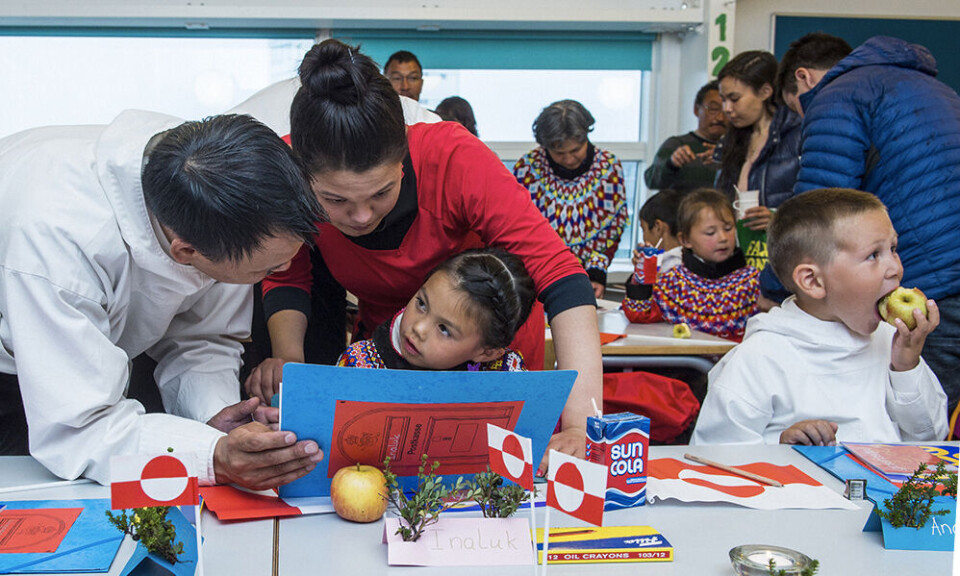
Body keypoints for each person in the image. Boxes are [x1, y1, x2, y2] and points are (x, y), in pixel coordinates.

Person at [246, 39, 603, 471]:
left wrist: (582, 425)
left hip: (482, 350)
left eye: (381, 193)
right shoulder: (284, 170)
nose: (360, 217)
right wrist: (292, 369)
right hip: (393, 350)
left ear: (403, 159)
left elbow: (561, 275)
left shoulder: (453, 157)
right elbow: (288, 273)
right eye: (334, 201)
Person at [0, 112, 326, 489]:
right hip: (15, 362)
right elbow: (80, 428)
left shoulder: (213, 186)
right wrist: (213, 457)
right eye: (265, 270)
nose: (284, 269)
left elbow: (205, 337)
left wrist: (216, 419)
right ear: (186, 251)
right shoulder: (59, 247)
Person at [777, 33, 960, 416]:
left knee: (911, 441)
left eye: (796, 108)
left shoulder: (837, 96)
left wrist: (776, 284)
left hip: (935, 282)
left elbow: (818, 212)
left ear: (805, 79)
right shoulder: (935, 89)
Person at [692, 188, 948, 445]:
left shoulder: (891, 341)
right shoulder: (759, 358)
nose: (895, 268)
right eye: (873, 255)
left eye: (893, 248)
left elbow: (931, 438)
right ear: (813, 281)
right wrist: (779, 449)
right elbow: (713, 457)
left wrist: (906, 367)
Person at [337, 248, 533, 371]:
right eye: (422, 304)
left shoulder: (506, 377)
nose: (418, 329)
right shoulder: (360, 366)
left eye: (444, 329)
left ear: (486, 354)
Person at [513, 100, 628, 299]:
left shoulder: (609, 168)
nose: (568, 159)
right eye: (558, 153)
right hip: (535, 276)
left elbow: (611, 230)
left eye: (575, 150)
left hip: (585, 277)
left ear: (586, 137)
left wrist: (596, 273)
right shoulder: (527, 169)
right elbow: (518, 227)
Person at [622, 189, 760, 341]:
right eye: (710, 233)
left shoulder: (753, 281)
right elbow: (639, 314)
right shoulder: (673, 281)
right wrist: (642, 276)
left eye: (728, 229)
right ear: (685, 240)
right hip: (683, 363)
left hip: (736, 363)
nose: (723, 238)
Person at [644, 81, 727, 193]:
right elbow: (651, 181)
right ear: (696, 110)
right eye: (713, 108)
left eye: (725, 110)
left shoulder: (736, 149)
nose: (720, 117)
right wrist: (671, 164)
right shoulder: (676, 144)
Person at [634, 189, 684, 275]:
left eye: (643, 230)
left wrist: (643, 276)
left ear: (658, 227)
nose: (644, 238)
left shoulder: (668, 268)